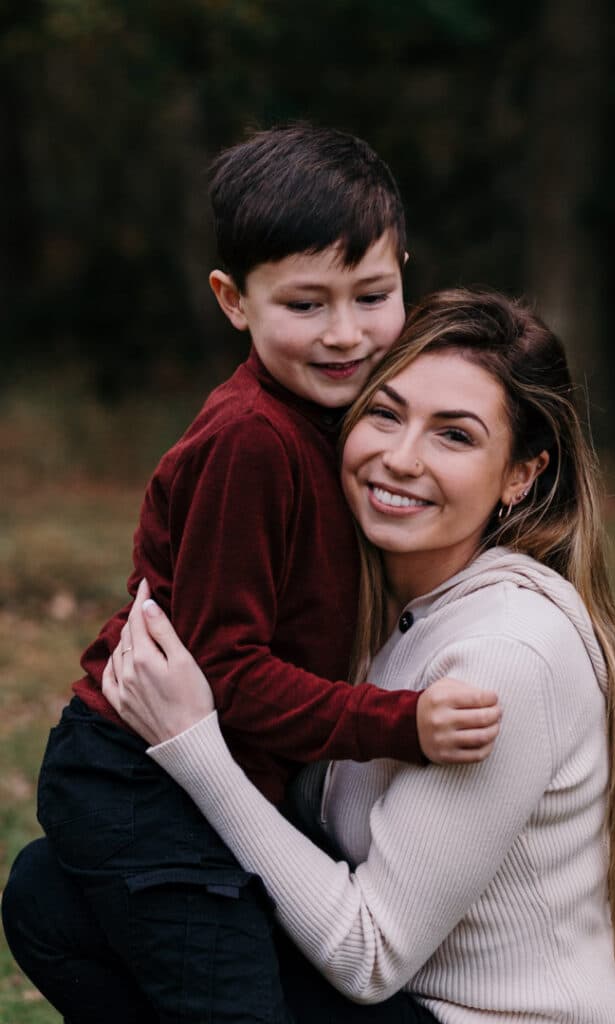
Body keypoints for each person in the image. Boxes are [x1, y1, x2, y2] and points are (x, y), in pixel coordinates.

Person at [2, 126, 499, 1024]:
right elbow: (224, 674)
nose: (345, 333)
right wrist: (399, 723)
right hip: (142, 778)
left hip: (220, 781)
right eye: (305, 305)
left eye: (372, 294)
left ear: (404, 273)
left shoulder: (337, 421)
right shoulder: (252, 441)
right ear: (234, 301)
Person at [99, 289, 615, 1020]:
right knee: (64, 891)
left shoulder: (506, 653)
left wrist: (193, 744)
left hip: (464, 1013)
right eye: (386, 414)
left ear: (520, 475)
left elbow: (369, 954)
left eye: (453, 436)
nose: (398, 458)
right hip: (393, 1002)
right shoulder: (363, 610)